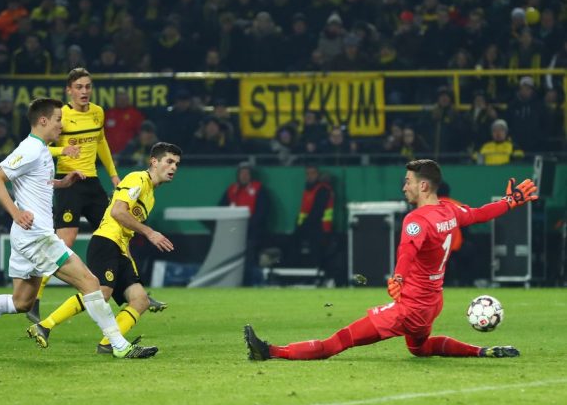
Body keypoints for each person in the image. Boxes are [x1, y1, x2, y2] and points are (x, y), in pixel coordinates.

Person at [245, 159, 538, 361]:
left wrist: (398, 278)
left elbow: (407, 252)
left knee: (338, 341)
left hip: (408, 309)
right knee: (420, 350)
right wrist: (510, 202)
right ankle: (482, 351)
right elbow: (478, 213)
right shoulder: (448, 210)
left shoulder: (417, 219)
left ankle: (270, 352)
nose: (404, 186)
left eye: (408, 181)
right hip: (432, 303)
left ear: (424, 186)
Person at [0, 97, 156, 359]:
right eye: (58, 120)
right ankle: (120, 346)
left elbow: (35, 182)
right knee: (91, 283)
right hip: (36, 235)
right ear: (43, 120)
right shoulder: (29, 148)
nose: (61, 126)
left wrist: (62, 184)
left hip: (29, 236)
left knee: (21, 302)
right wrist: (16, 213)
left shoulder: (41, 149)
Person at [28, 68, 166, 322]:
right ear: (69, 90)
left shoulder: (97, 112)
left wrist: (113, 175)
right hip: (70, 184)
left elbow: (101, 142)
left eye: (88, 87)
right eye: (79, 87)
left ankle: (134, 292)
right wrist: (63, 152)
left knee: (118, 234)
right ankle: (35, 300)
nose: (84, 91)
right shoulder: (61, 116)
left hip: (92, 183)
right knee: (64, 244)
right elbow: (41, 147)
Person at [27, 142, 181, 353]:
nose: (173, 168)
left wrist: (132, 268)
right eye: (169, 161)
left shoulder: (151, 195)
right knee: (101, 293)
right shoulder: (138, 179)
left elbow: (126, 228)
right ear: (154, 162)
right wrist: (149, 232)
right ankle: (44, 326)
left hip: (119, 248)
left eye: (177, 164)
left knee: (140, 300)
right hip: (106, 242)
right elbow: (118, 212)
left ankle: (108, 344)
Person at [219, 162, 269, 286]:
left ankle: (248, 283)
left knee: (249, 258)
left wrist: (248, 227)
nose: (244, 176)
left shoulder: (258, 189)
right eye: (242, 173)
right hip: (232, 232)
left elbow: (261, 212)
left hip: (252, 232)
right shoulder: (232, 189)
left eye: (247, 173)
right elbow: (221, 208)